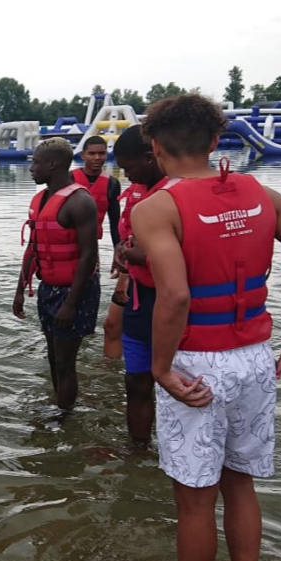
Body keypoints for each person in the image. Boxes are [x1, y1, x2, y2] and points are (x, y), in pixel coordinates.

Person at [132, 94, 281, 561]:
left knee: (195, 503)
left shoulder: (155, 208)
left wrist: (161, 369)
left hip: (196, 365)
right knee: (240, 485)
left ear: (155, 146)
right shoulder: (261, 195)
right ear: (214, 140)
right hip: (254, 357)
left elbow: (177, 297)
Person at [13, 137, 100, 410]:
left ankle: (64, 419)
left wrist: (70, 304)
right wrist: (19, 290)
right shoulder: (40, 199)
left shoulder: (80, 201)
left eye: (35, 163)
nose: (31, 169)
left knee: (65, 360)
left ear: (52, 164)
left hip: (74, 292)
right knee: (53, 356)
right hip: (49, 288)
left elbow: (89, 256)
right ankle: (59, 405)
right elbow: (32, 248)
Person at [111, 125, 169, 446]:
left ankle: (176, 454)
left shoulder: (176, 193)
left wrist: (136, 255)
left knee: (176, 381)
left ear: (151, 157)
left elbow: (187, 252)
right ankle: (137, 451)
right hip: (138, 297)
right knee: (135, 382)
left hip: (170, 299)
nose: (126, 174)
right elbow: (128, 236)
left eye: (129, 167)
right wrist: (124, 259)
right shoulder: (138, 190)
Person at [73, 135, 122, 247]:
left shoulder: (112, 184)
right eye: (92, 154)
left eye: (101, 153)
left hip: (91, 243)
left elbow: (114, 222)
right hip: (68, 241)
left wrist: (118, 249)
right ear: (83, 155)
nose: (97, 157)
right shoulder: (69, 179)